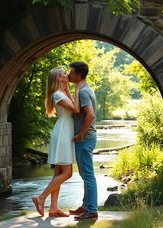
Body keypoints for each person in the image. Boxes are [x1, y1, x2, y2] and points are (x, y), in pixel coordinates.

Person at [31, 66, 83, 217]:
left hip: (65, 131)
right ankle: (41, 198)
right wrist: (78, 89)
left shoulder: (62, 92)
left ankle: (53, 208)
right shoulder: (57, 95)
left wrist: (69, 90)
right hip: (63, 133)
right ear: (58, 78)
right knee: (67, 174)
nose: (67, 74)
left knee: (59, 173)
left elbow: (73, 106)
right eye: (64, 74)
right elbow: (76, 109)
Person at [68, 61, 98, 220]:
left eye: (71, 72)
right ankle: (86, 206)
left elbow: (91, 115)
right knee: (85, 174)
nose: (68, 74)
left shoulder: (84, 92)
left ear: (78, 76)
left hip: (85, 138)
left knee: (88, 175)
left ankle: (92, 210)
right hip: (85, 138)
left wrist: (80, 134)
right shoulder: (83, 89)